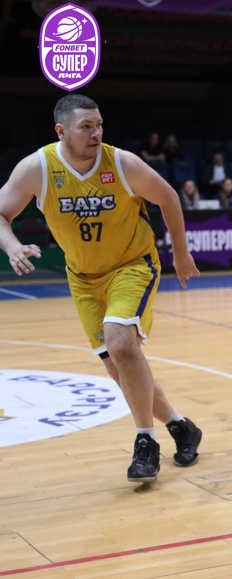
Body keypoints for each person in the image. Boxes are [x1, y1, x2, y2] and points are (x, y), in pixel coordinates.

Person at [0, 94, 203, 484]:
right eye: (86, 127)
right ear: (61, 131)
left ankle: (146, 442)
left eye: (99, 125)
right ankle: (181, 426)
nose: (96, 133)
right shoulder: (37, 168)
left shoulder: (122, 163)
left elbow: (168, 197)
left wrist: (180, 253)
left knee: (122, 343)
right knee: (121, 369)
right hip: (83, 278)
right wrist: (11, 247)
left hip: (133, 264)